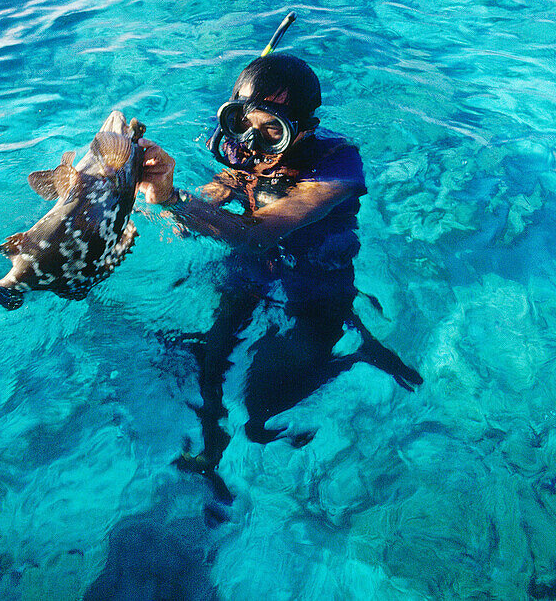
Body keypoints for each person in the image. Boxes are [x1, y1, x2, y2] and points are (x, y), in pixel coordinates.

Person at [138, 49, 421, 494]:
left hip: (317, 281)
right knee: (213, 360)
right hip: (255, 269)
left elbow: (259, 231)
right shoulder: (243, 151)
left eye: (273, 131)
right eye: (243, 123)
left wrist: (177, 201)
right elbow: (217, 193)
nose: (252, 144)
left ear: (304, 129)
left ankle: (355, 351)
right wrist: (174, 196)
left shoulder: (337, 165)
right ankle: (211, 453)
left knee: (263, 407)